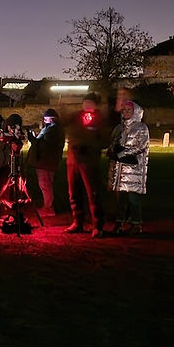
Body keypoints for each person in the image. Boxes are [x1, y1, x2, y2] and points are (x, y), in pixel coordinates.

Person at [65, 93, 111, 238]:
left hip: (89, 162)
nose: (87, 105)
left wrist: (89, 145)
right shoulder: (76, 117)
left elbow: (105, 140)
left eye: (90, 102)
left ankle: (97, 225)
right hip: (73, 160)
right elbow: (65, 124)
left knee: (93, 193)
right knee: (74, 193)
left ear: (95, 105)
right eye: (85, 102)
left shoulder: (100, 120)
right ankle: (77, 221)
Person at [107, 101, 150, 235]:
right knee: (120, 199)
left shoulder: (141, 127)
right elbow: (112, 143)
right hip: (119, 170)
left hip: (133, 170)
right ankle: (119, 222)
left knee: (133, 199)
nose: (126, 112)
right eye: (124, 110)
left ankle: (136, 224)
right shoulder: (119, 127)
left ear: (135, 112)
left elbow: (141, 146)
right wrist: (112, 151)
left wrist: (122, 153)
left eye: (129, 110)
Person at [25, 108, 64, 219]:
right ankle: (48, 206)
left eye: (47, 119)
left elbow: (45, 144)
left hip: (45, 162)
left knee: (45, 184)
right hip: (46, 161)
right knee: (46, 184)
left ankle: (48, 208)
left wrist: (33, 139)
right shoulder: (53, 129)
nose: (46, 121)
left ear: (52, 119)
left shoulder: (53, 130)